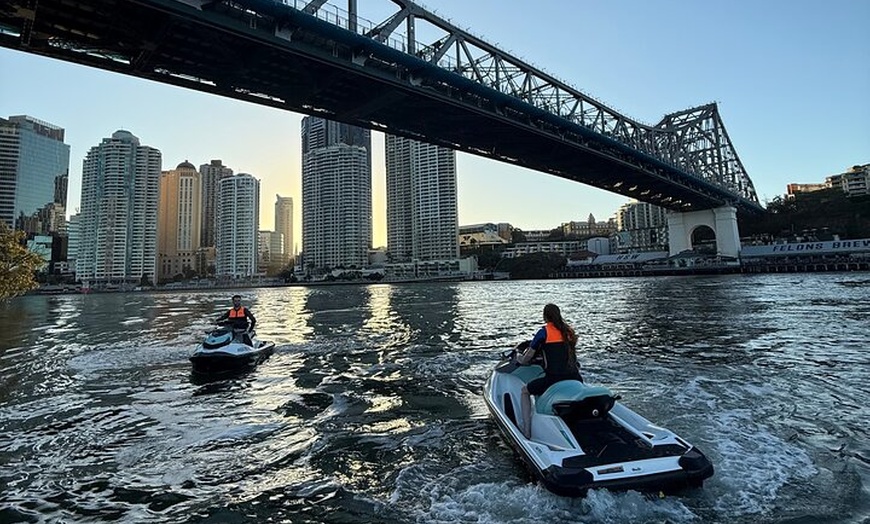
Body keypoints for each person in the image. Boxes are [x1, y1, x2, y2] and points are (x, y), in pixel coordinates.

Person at [515, 303, 582, 439]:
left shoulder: (543, 332)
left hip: (554, 378)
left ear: (545, 316)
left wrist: (520, 359)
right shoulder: (569, 332)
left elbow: (528, 357)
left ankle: (526, 430)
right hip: (575, 377)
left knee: (524, 391)